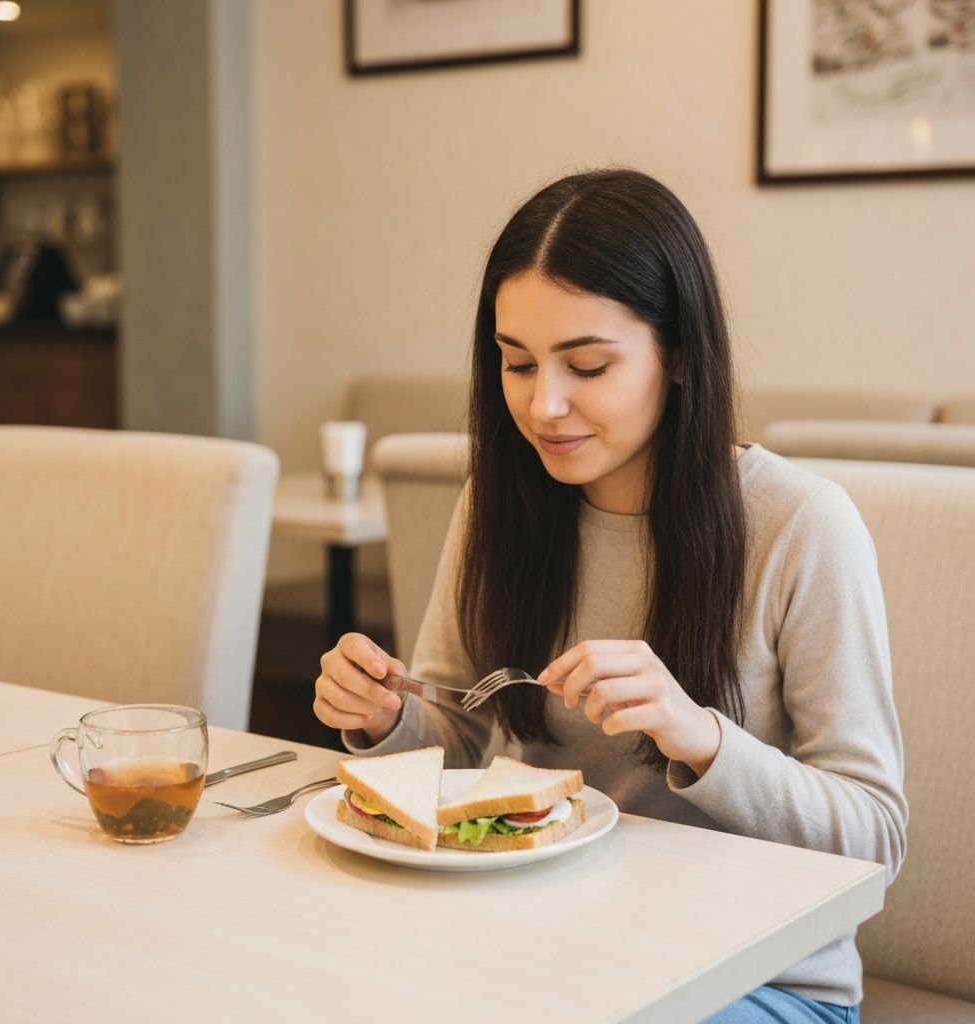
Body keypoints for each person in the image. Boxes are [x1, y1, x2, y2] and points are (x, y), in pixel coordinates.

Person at [313, 168, 906, 1023]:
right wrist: (382, 718)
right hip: (538, 947)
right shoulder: (499, 501)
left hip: (757, 983)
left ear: (677, 354)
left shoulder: (801, 525)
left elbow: (876, 840)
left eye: (586, 365)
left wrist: (702, 738)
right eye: (516, 363)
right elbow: (462, 738)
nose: (543, 404)